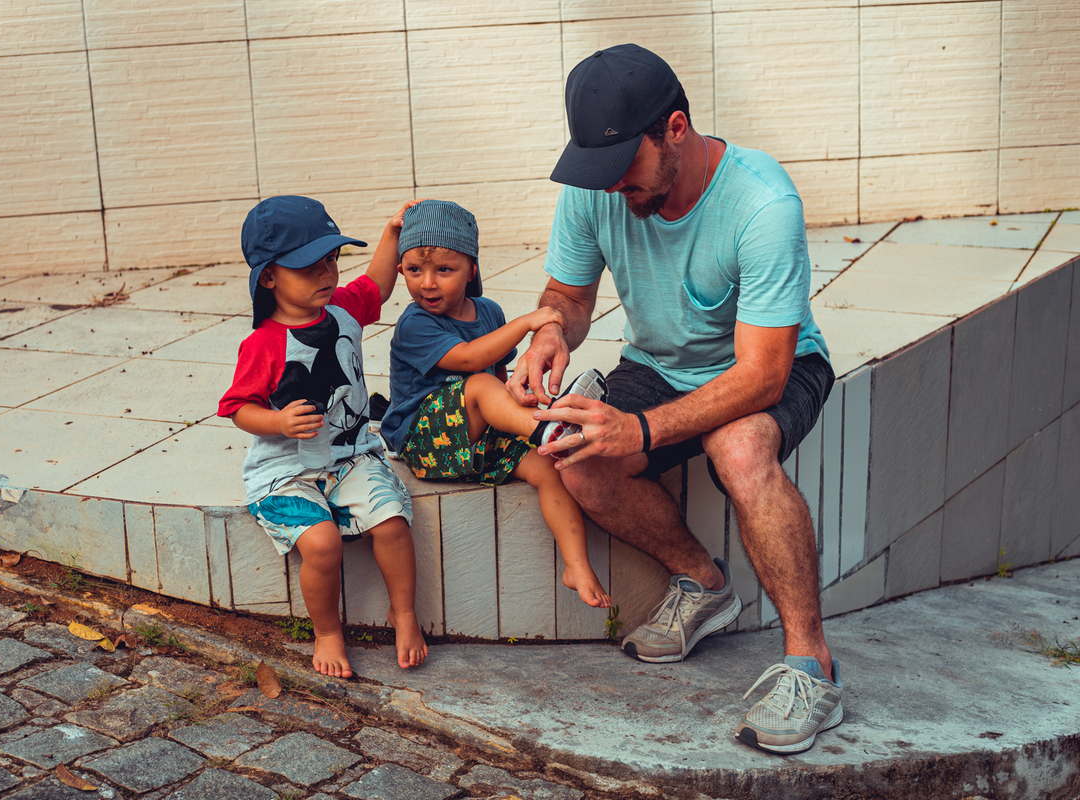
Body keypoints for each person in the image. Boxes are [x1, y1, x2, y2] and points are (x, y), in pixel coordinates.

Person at [507, 44, 840, 754]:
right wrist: (550, 334)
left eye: (625, 166)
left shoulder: (761, 201)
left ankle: (812, 663)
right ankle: (703, 584)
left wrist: (642, 430)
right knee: (574, 453)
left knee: (740, 447)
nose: (611, 188)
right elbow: (568, 296)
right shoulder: (598, 186)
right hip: (659, 363)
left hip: (771, 366)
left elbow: (764, 377)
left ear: (676, 130)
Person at [218, 195, 428, 680]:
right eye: (310, 266)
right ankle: (328, 631)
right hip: (287, 469)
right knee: (322, 543)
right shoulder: (263, 343)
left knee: (393, 522)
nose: (327, 274)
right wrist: (277, 422)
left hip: (350, 456)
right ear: (269, 276)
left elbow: (376, 282)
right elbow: (237, 409)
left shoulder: (344, 309)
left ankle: (404, 612)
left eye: (332, 260)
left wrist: (392, 233)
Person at [380, 199, 612, 609]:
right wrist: (526, 322)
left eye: (443, 270)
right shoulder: (416, 323)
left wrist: (520, 397)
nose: (427, 284)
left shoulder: (488, 312)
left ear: (472, 269)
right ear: (401, 270)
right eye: (415, 270)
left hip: (474, 439)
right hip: (423, 443)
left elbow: (500, 381)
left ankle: (577, 564)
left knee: (546, 465)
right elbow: (471, 361)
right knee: (480, 383)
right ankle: (549, 424)